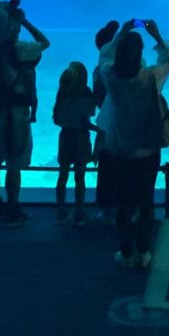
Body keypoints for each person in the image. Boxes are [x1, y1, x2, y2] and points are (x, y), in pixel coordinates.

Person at [95, 19, 169, 268]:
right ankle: (143, 252)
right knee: (145, 201)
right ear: (140, 54)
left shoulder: (110, 75)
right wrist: (157, 37)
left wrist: (122, 32)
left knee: (123, 204)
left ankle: (126, 251)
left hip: (118, 149)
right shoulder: (150, 78)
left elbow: (104, 54)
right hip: (146, 150)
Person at [0, 0, 51, 226]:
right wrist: (24, 21)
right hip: (16, 114)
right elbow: (44, 42)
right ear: (11, 26)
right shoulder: (18, 49)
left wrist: (4, 14)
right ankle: (13, 206)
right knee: (14, 161)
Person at [53, 61, 96, 224]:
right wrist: (99, 131)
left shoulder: (62, 94)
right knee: (80, 176)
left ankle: (60, 209)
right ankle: (79, 210)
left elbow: (56, 119)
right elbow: (87, 118)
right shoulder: (86, 93)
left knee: (62, 174)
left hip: (65, 137)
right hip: (81, 138)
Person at [90, 20, 120, 223]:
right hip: (124, 126)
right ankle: (127, 206)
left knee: (106, 165)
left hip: (106, 125)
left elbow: (97, 99)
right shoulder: (127, 69)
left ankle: (107, 206)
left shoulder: (97, 71)